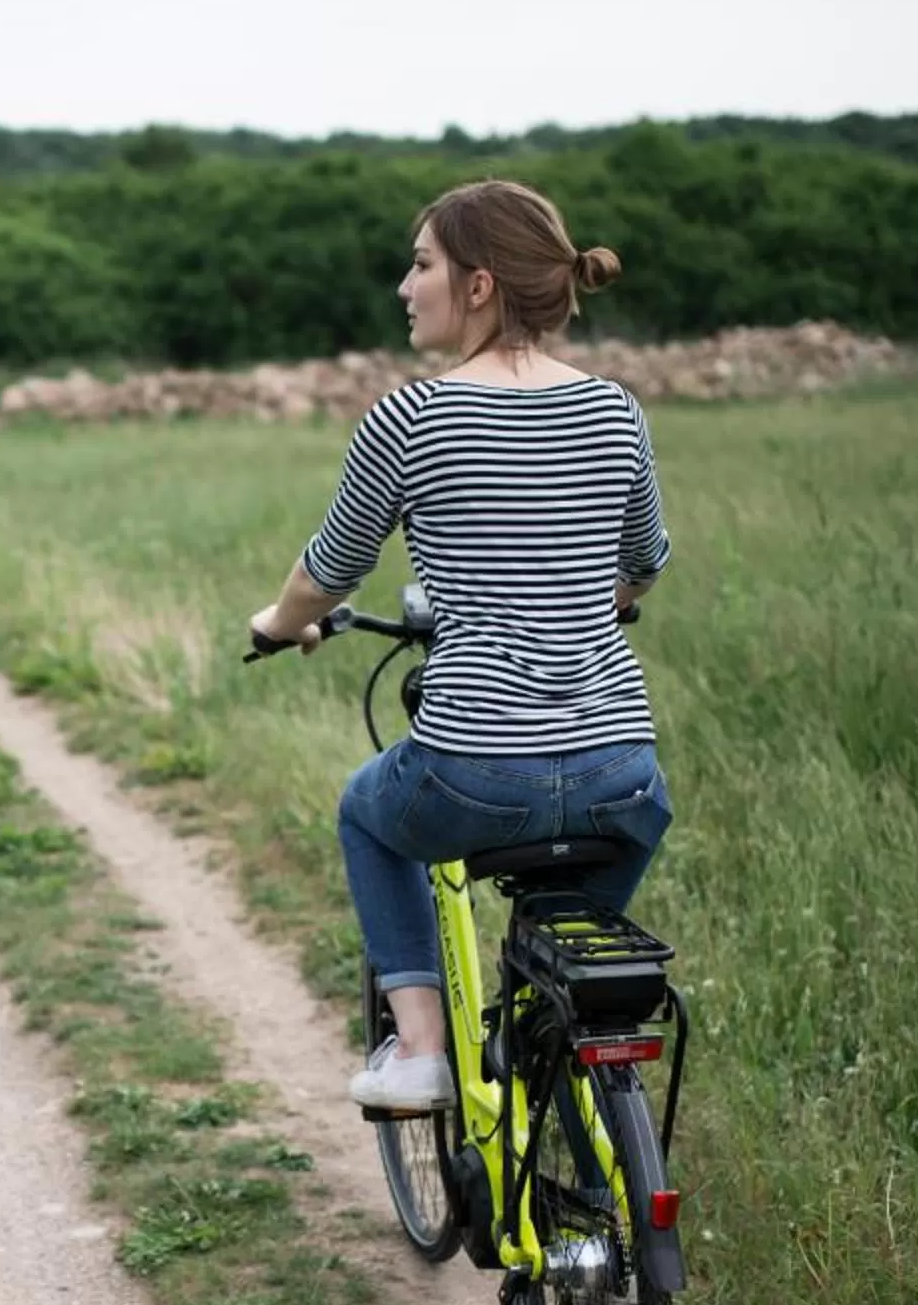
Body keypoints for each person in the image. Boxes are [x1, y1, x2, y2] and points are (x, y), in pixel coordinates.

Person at [246, 179, 672, 1113]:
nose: (406, 285)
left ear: (478, 286)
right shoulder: (615, 410)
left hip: (474, 771)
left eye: (423, 263)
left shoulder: (411, 417)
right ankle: (575, 1105)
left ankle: (422, 1055)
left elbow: (329, 573)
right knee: (565, 954)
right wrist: (597, 603)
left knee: (366, 811)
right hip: (622, 774)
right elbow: (641, 563)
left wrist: (279, 626)